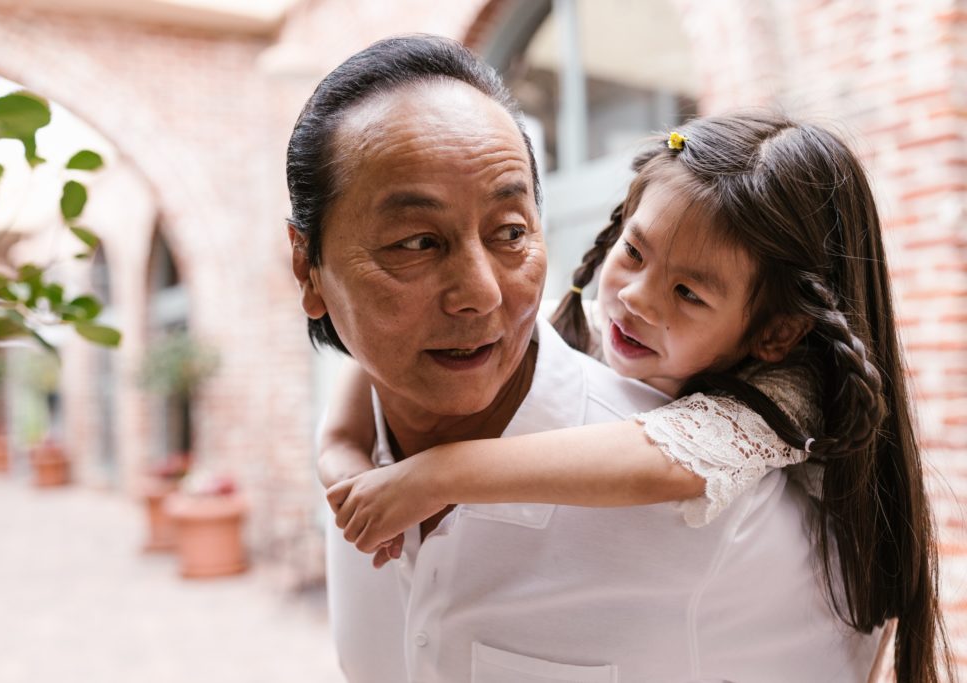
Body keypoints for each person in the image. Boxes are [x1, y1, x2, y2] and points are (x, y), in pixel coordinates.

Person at [290, 35, 935, 682]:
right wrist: (342, 455)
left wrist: (433, 475)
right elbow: (369, 370)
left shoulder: (732, 485)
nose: (636, 299)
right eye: (416, 242)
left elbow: (672, 468)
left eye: (509, 231)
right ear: (308, 268)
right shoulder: (579, 333)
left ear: (774, 332)